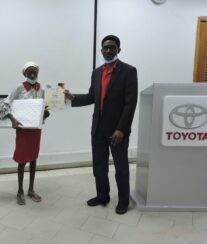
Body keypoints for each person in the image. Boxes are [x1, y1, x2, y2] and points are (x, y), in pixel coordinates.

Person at [65, 35, 138, 214]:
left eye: (112, 47)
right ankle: (102, 195)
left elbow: (130, 103)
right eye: (105, 48)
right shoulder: (97, 72)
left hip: (117, 131)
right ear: (101, 50)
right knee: (99, 167)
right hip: (98, 128)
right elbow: (92, 97)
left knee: (121, 168)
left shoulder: (129, 71)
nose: (108, 51)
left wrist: (121, 129)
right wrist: (73, 98)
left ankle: (123, 200)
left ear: (118, 50)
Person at [0, 61, 49, 205]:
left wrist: (45, 114)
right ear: (25, 73)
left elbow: (42, 107)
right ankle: (20, 191)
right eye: (30, 71)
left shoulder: (42, 89)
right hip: (22, 129)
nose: (33, 74)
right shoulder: (19, 88)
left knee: (33, 158)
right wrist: (12, 119)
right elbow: (4, 104)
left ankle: (31, 189)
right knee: (22, 160)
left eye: (35, 71)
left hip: (35, 130)